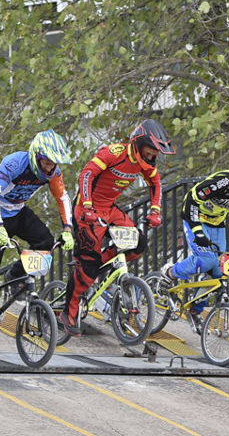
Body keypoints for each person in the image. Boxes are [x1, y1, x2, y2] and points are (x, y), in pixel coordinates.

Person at [60, 119, 176, 336]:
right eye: (150, 152)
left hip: (110, 209)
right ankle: (69, 311)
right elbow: (87, 174)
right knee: (87, 267)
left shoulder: (147, 163)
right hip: (87, 210)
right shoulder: (114, 153)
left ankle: (100, 266)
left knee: (139, 243)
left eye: (155, 154)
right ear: (139, 144)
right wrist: (86, 206)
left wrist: (155, 211)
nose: (153, 158)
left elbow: (156, 183)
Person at [157, 152, 229, 318]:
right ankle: (170, 272)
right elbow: (192, 200)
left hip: (217, 223)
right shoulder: (224, 181)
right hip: (195, 217)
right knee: (207, 260)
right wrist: (197, 231)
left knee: (220, 271)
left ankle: (195, 311)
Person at [0, 130, 75, 306]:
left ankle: (16, 274)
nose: (50, 168)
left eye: (54, 164)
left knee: (46, 242)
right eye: (47, 163)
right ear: (36, 155)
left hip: (18, 211)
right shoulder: (15, 162)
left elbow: (62, 197)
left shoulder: (54, 172)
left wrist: (67, 229)